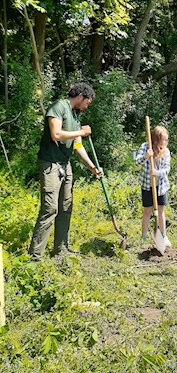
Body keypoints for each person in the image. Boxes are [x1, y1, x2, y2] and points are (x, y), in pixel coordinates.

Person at [29, 82, 103, 261]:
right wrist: (80, 131)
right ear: (80, 97)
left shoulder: (75, 116)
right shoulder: (58, 107)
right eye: (87, 102)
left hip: (65, 164)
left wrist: (92, 167)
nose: (87, 106)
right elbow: (56, 134)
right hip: (50, 164)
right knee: (49, 209)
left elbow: (77, 146)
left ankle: (60, 250)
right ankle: (34, 258)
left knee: (65, 207)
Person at [135, 125, 171, 247]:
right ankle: (144, 237)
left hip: (160, 186)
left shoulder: (166, 151)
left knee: (161, 211)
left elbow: (166, 169)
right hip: (147, 185)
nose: (165, 142)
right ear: (156, 139)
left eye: (166, 140)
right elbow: (136, 161)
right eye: (163, 140)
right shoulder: (145, 147)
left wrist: (157, 173)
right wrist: (146, 156)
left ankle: (163, 236)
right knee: (147, 212)